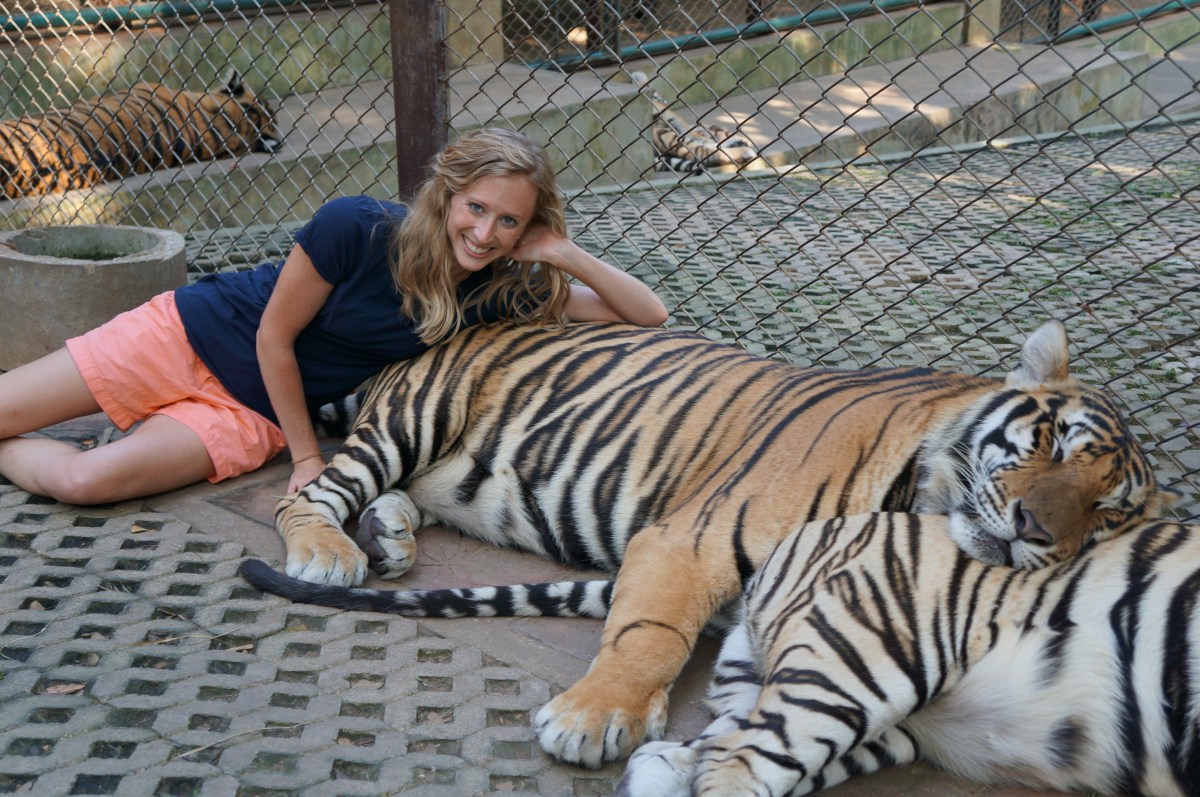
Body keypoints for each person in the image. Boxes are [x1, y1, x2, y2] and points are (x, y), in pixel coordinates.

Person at [0, 128, 668, 504]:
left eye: (510, 221)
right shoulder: (356, 225)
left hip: (248, 413)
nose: (486, 233)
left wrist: (563, 251)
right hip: (184, 334)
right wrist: (307, 458)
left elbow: (647, 314)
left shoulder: (496, 289)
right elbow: (275, 336)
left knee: (85, 480)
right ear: (447, 194)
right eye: (476, 208)